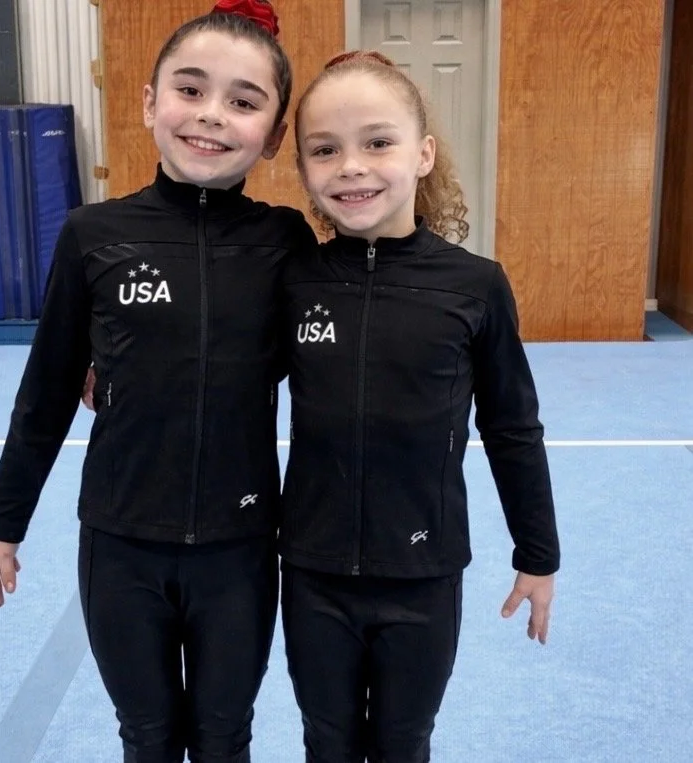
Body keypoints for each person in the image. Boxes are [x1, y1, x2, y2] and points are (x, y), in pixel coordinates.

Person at [0, 2, 316, 761]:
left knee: (225, 736)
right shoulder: (94, 235)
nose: (211, 116)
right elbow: (48, 388)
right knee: (149, 736)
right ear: (148, 102)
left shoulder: (284, 242)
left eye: (244, 100)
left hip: (241, 547)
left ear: (275, 136)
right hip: (122, 545)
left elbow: (343, 359)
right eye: (190, 89)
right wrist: (4, 520)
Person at [278, 51, 561, 762]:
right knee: (328, 740)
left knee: (405, 740)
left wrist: (539, 554)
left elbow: (512, 427)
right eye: (325, 149)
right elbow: (217, 373)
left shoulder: (474, 287)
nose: (352, 165)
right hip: (313, 572)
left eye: (378, 141)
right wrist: (118, 372)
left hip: (423, 575)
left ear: (424, 153)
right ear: (306, 170)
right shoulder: (294, 280)